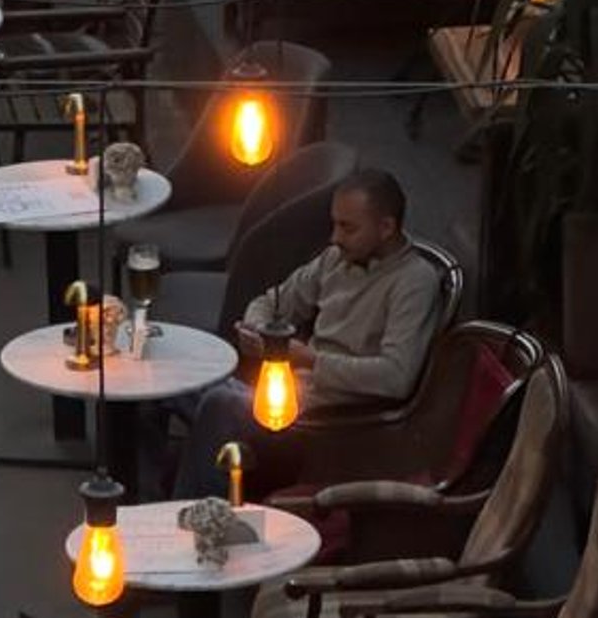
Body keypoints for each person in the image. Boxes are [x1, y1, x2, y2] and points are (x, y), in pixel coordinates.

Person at [176, 168, 445, 495]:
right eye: (334, 224)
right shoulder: (336, 259)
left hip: (328, 418)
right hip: (287, 390)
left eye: (348, 228)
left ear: (386, 227)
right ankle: (145, 503)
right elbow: (273, 301)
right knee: (172, 378)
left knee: (219, 404)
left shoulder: (414, 282)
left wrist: (311, 361)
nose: (335, 237)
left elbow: (396, 376)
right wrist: (257, 330)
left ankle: (201, 521)